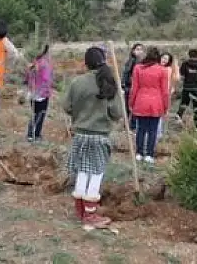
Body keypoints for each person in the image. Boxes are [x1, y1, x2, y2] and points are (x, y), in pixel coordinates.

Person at [63, 47, 123, 228]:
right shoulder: (108, 83)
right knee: (95, 174)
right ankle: (90, 216)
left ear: (86, 63)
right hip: (99, 136)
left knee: (82, 171)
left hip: (80, 135)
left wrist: (80, 114)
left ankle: (81, 212)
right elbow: (117, 113)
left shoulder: (77, 82)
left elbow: (67, 107)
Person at [130, 46, 169, 164]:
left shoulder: (138, 68)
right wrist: (165, 106)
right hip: (156, 103)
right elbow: (165, 91)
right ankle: (149, 155)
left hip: (141, 102)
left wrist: (131, 103)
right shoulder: (162, 70)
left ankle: (139, 153)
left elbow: (134, 88)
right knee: (153, 130)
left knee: (140, 129)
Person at [25, 44, 53, 143]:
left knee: (34, 114)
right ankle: (35, 135)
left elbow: (27, 78)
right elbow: (46, 80)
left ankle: (30, 134)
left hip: (33, 93)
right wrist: (44, 91)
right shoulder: (45, 64)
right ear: (46, 52)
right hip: (41, 94)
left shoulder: (34, 63)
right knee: (40, 114)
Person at [176, 48, 197, 129]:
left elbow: (181, 76)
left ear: (189, 55)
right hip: (196, 88)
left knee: (184, 103)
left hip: (186, 88)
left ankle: (179, 116)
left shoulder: (184, 64)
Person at [156, 52, 180, 142]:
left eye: (166, 59)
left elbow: (177, 78)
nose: (164, 60)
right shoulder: (156, 67)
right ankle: (158, 133)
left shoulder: (168, 69)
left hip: (166, 94)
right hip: (157, 94)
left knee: (162, 114)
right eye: (163, 58)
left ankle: (159, 133)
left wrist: (176, 65)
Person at [122, 43, 144, 131]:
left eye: (141, 49)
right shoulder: (132, 60)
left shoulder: (140, 61)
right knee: (130, 107)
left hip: (136, 87)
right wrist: (123, 85)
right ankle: (130, 126)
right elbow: (126, 73)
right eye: (137, 49)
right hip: (130, 87)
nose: (139, 51)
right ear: (133, 50)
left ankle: (130, 126)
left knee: (133, 107)